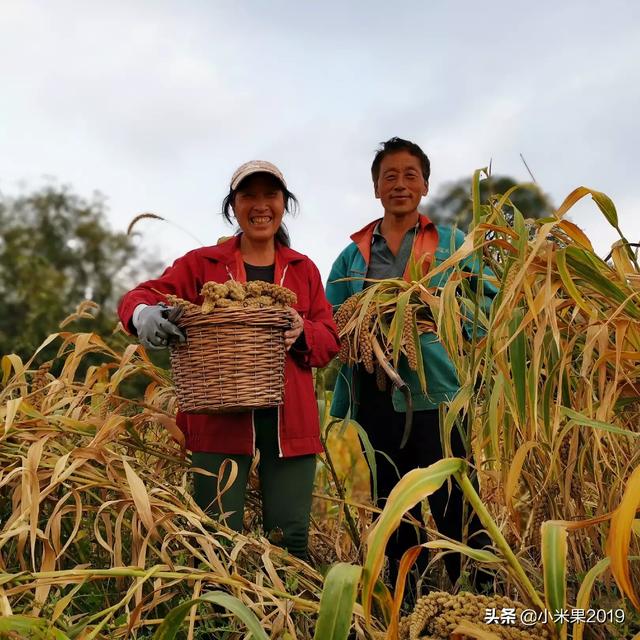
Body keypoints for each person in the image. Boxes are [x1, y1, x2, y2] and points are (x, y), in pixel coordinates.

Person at [118, 160, 340, 560]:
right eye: (248, 196)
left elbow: (329, 338)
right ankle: (221, 620)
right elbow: (141, 295)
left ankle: (286, 618)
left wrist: (302, 331)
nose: (260, 205)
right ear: (232, 206)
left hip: (291, 423)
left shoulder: (302, 269)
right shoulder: (203, 264)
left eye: (270, 195)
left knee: (288, 543)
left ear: (284, 204)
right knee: (215, 541)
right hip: (218, 418)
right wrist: (143, 315)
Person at [326, 138, 495, 593]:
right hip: (375, 396)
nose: (399, 184)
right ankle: (407, 600)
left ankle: (480, 598)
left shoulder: (452, 244)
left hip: (438, 394)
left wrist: (440, 322)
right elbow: (332, 319)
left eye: (409, 175)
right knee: (391, 508)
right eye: (389, 176)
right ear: (376, 188)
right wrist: (361, 329)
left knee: (457, 502)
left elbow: (488, 301)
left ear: (424, 185)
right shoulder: (353, 255)